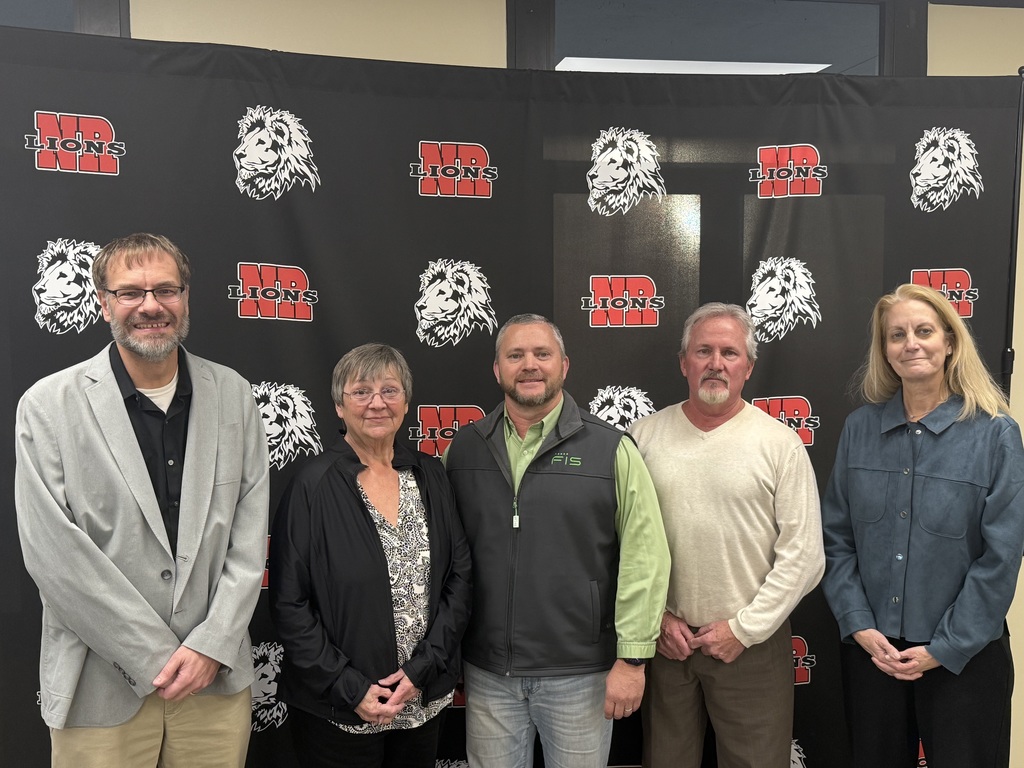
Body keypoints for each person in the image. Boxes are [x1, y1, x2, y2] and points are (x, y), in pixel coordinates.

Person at [14, 233, 270, 768]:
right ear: (104, 302)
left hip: (214, 682)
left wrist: (210, 646)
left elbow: (249, 542)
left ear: (185, 298)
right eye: (130, 292)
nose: (151, 305)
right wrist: (156, 656)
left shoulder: (234, 396)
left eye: (165, 290)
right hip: (98, 688)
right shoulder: (47, 405)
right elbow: (54, 557)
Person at [444, 313, 670, 768]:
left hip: (580, 676)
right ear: (497, 369)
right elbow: (443, 558)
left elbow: (645, 557)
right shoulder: (462, 450)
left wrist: (633, 659)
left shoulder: (611, 449)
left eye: (541, 354)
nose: (530, 365)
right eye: (515, 355)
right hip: (489, 674)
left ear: (564, 366)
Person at [821, 283, 1024, 768]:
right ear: (885, 351)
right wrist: (860, 626)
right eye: (897, 335)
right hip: (875, 657)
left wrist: (945, 646)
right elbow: (836, 540)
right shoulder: (859, 430)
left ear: (950, 341)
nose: (910, 343)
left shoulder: (995, 434)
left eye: (924, 330)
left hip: (965, 662)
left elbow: (1001, 556)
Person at [628, 302, 824, 768]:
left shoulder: (780, 444)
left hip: (751, 646)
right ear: (683, 363)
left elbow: (805, 555)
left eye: (730, 353)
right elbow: (620, 545)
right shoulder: (642, 437)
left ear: (749, 367)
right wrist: (654, 621)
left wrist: (744, 629)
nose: (716, 363)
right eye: (704, 351)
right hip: (667, 643)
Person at [269, 343, 472, 768]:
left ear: (405, 401)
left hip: (419, 701)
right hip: (340, 709)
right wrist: (349, 687)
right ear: (339, 407)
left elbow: (459, 578)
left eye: (389, 390)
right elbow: (290, 603)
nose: (377, 403)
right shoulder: (312, 485)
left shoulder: (430, 474)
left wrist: (421, 672)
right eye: (361, 391)